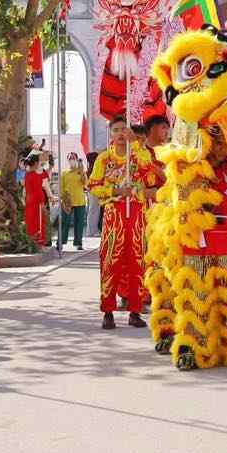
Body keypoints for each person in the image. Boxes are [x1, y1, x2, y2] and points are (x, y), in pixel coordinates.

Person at [87, 117, 152, 329]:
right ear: (111, 134)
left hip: (136, 213)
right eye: (116, 130)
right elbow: (94, 186)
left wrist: (136, 146)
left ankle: (135, 310)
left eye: (124, 129)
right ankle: (108, 310)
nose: (121, 133)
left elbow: (149, 174)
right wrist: (115, 191)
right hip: (114, 213)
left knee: (138, 260)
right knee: (110, 260)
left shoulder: (138, 155)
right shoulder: (104, 159)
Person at [59, 154, 88, 250]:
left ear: (76, 160)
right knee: (64, 222)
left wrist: (82, 172)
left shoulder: (81, 172)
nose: (71, 161)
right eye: (70, 159)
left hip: (79, 200)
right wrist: (62, 198)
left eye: (73, 159)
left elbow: (86, 184)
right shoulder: (64, 173)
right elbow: (61, 187)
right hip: (67, 201)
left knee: (79, 223)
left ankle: (78, 243)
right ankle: (61, 242)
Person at [22, 153, 49, 246]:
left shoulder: (27, 174)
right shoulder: (37, 174)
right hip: (38, 200)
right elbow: (44, 187)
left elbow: (24, 190)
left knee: (31, 221)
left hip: (29, 200)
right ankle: (39, 242)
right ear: (36, 163)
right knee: (40, 222)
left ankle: (32, 242)